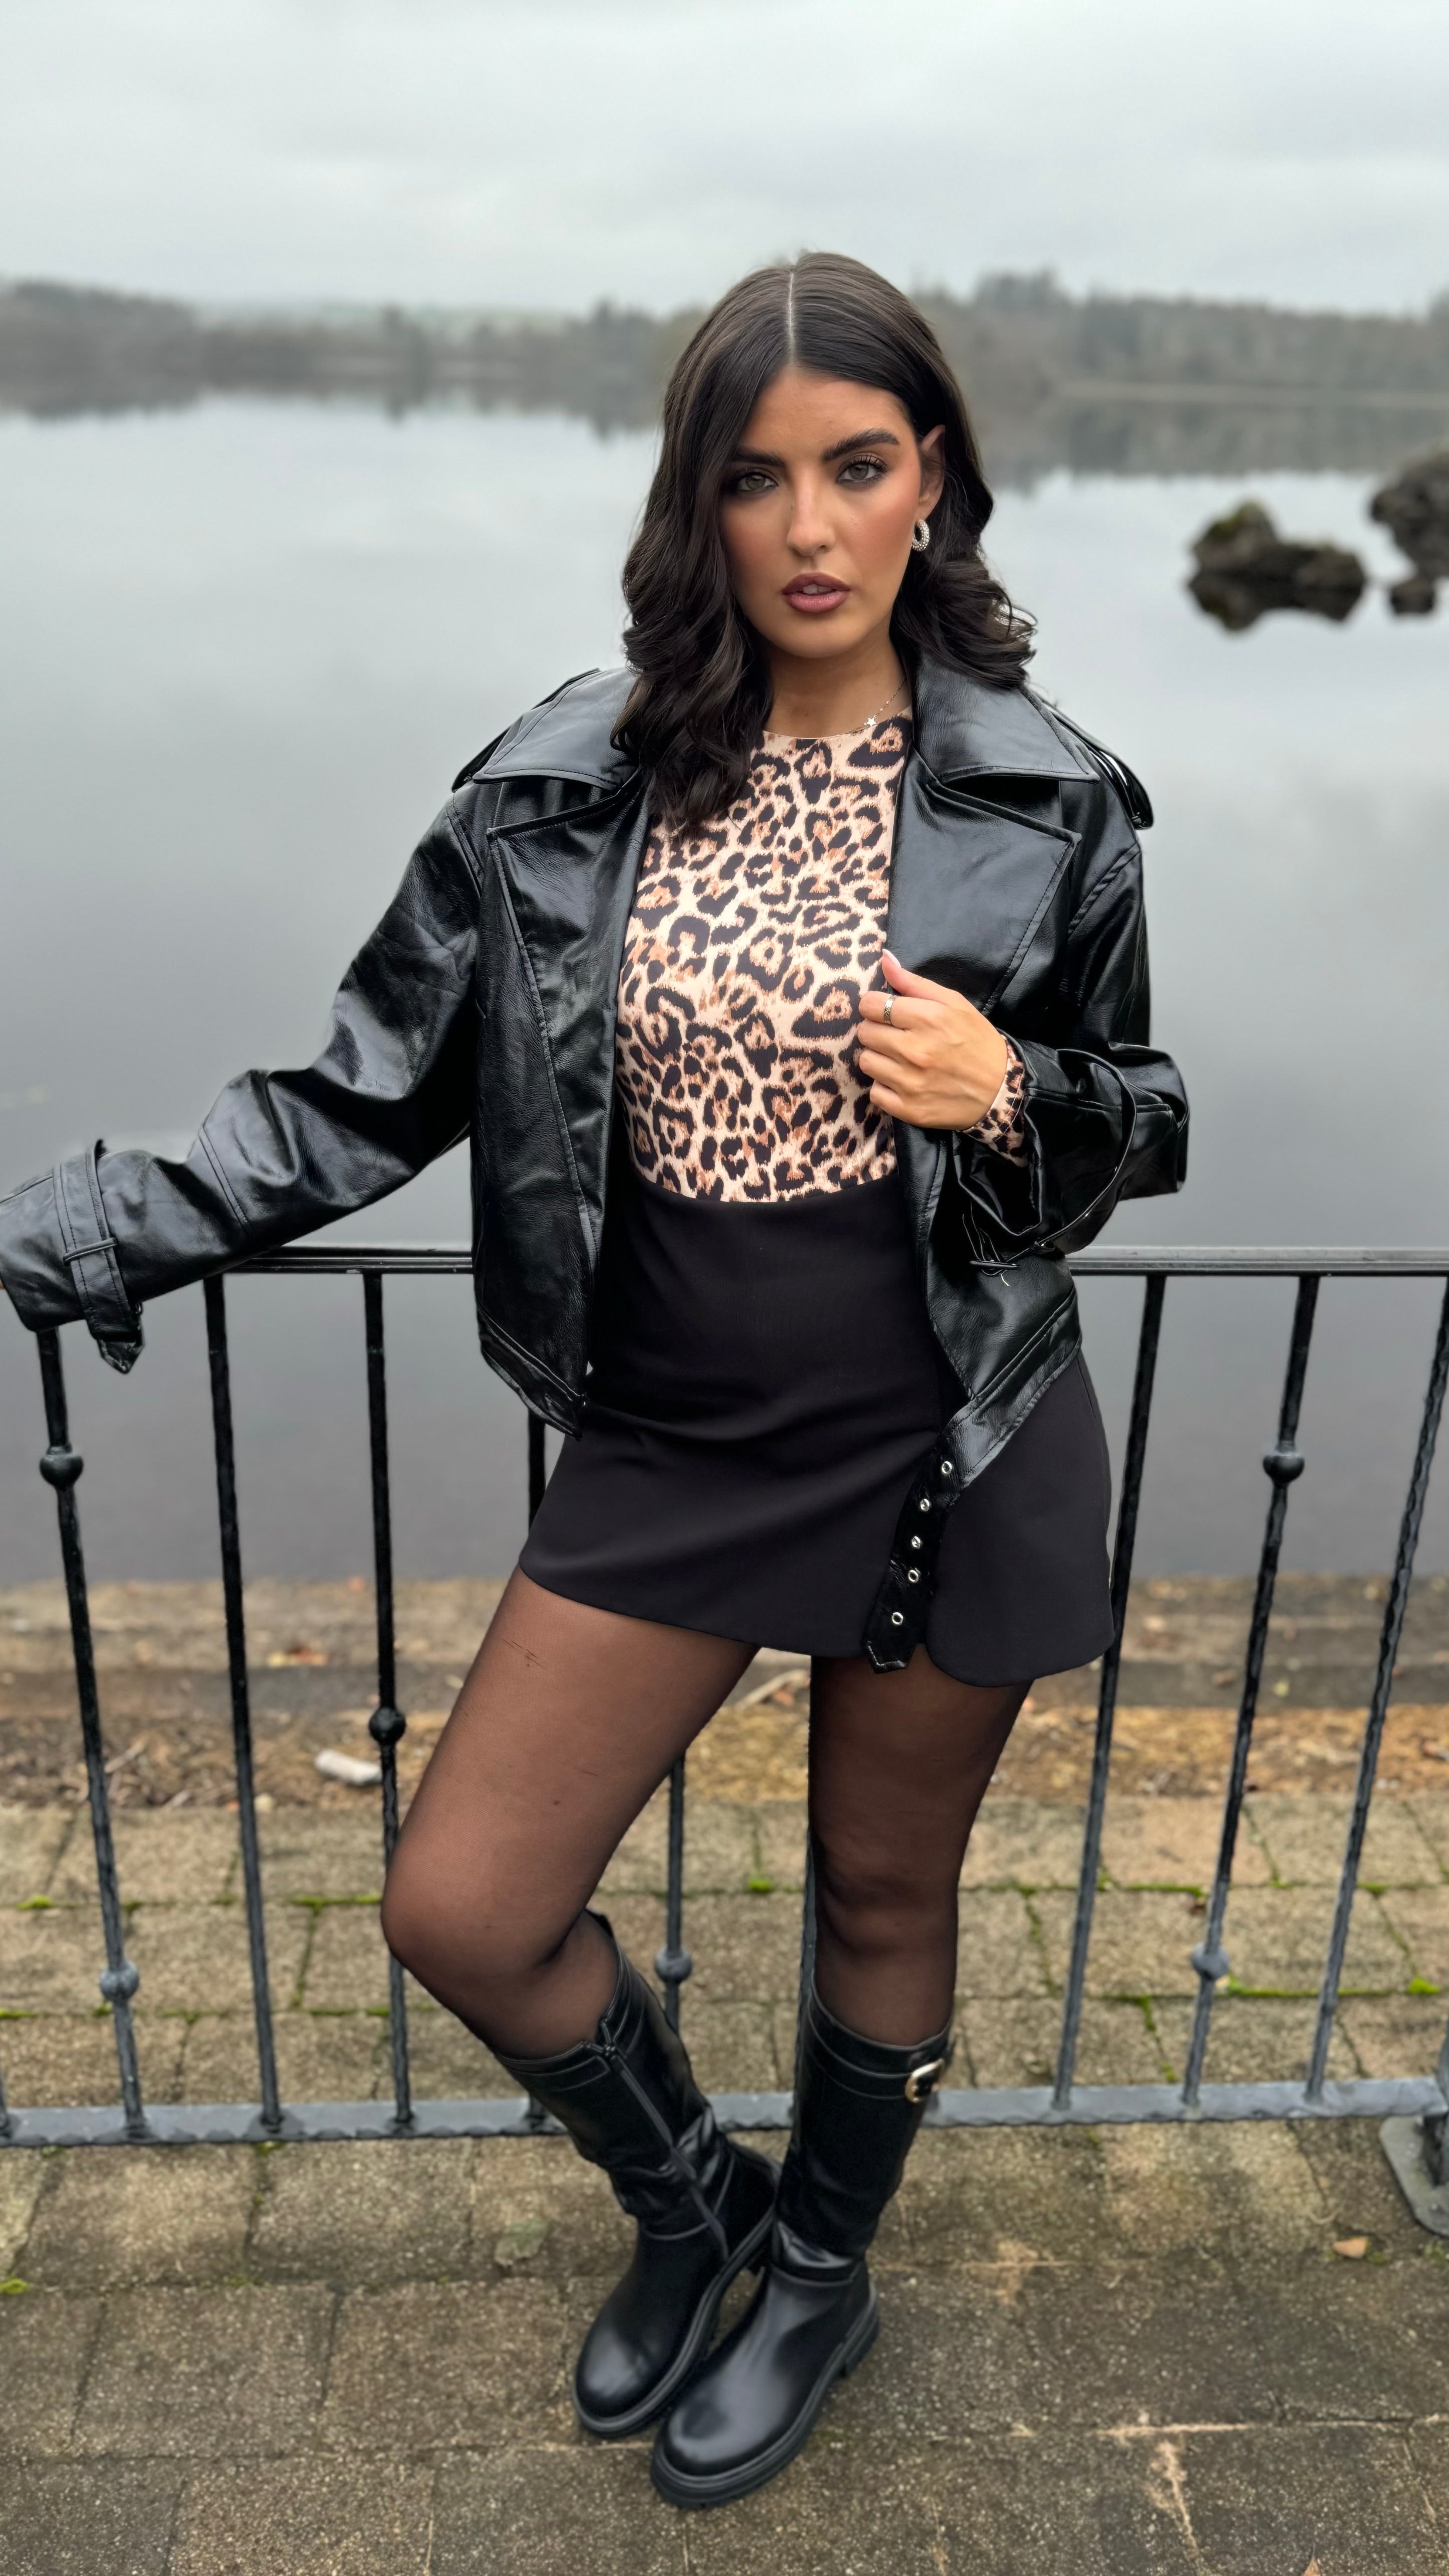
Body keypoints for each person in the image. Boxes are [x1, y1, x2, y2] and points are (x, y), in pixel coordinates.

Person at [0, 253, 1187, 2509]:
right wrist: (94, 1223)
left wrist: (1017, 1091)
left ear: (933, 478)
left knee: (878, 1898)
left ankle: (821, 2269)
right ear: (695, 500)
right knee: (462, 1901)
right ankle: (694, 2200)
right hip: (670, 1431)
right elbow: (361, 1093)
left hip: (949, 1428)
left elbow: (1140, 1117)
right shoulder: (562, 785)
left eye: (858, 466)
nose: (811, 526)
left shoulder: (1052, 802)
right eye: (756, 476)